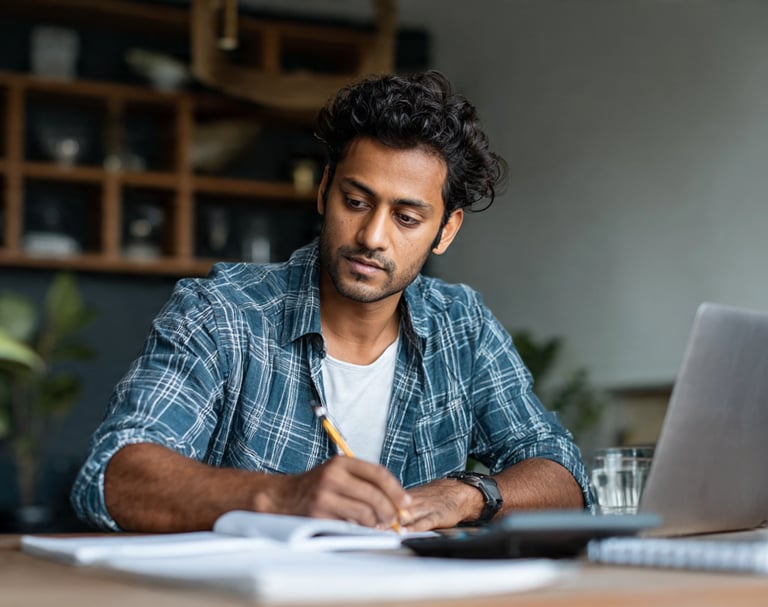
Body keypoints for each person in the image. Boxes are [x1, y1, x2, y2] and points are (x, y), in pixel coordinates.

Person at [71, 70, 592, 533]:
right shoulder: (223, 312)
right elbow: (113, 475)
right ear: (324, 190)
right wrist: (278, 497)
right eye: (356, 201)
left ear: (446, 229)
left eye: (406, 218)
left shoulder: (463, 326)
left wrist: (469, 494)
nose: (372, 236)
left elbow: (564, 476)